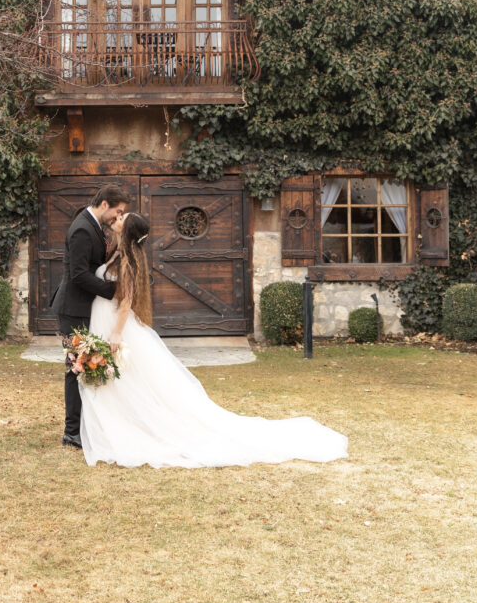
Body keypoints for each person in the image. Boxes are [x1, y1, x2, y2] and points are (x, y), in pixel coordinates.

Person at [79, 212, 348, 468]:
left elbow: (126, 300)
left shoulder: (128, 262)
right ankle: (120, 422)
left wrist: (115, 333)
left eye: (123, 218)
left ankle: (130, 427)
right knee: (124, 383)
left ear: (126, 231)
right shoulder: (116, 253)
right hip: (105, 322)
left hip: (117, 327)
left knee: (130, 380)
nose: (118, 218)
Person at [50, 183, 130, 448]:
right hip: (72, 309)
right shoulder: (83, 228)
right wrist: (114, 291)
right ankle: (72, 432)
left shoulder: (93, 226)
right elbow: (79, 274)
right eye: (117, 212)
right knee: (75, 368)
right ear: (104, 203)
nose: (117, 218)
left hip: (82, 308)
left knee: (83, 366)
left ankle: (82, 426)